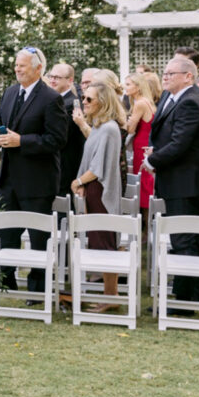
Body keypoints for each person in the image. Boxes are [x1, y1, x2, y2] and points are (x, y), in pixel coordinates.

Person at [0, 47, 68, 293]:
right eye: (16, 64)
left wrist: (21, 141)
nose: (17, 69)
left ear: (38, 69)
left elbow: (57, 140)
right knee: (7, 233)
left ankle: (37, 290)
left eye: (22, 65)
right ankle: (5, 283)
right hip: (9, 178)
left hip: (37, 181)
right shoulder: (11, 92)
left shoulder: (51, 98)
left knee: (38, 238)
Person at [144, 57, 199, 306]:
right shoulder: (169, 97)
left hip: (186, 180)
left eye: (171, 73)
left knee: (184, 238)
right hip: (174, 176)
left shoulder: (191, 101)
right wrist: (153, 151)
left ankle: (184, 300)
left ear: (188, 76)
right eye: (164, 73)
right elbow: (161, 132)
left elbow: (180, 143)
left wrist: (153, 161)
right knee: (191, 237)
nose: (165, 77)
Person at [71, 80, 125, 312]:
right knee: (98, 241)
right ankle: (108, 295)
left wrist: (79, 181)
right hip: (94, 189)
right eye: (84, 98)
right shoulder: (99, 126)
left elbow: (99, 167)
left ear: (103, 102)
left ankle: (111, 296)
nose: (84, 102)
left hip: (102, 191)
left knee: (105, 244)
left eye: (89, 99)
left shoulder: (110, 128)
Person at [123, 72, 156, 224]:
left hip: (141, 145)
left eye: (128, 84)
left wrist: (126, 122)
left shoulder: (140, 103)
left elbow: (130, 129)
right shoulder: (146, 101)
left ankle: (144, 225)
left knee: (142, 183)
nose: (125, 87)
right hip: (145, 143)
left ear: (138, 86)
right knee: (144, 182)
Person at [48, 63, 84, 200]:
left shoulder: (70, 103)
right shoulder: (57, 100)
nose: (52, 80)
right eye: (51, 76)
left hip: (65, 165)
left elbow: (61, 136)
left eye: (57, 77)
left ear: (69, 81)